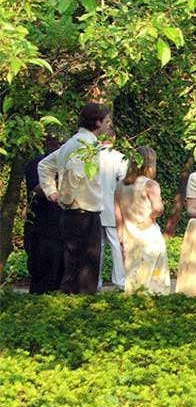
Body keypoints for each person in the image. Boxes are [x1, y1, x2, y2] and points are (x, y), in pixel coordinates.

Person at [38, 102, 113, 294]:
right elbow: (73, 172)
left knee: (74, 266)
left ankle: (73, 305)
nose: (108, 124)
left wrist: (52, 192)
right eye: (106, 120)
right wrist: (65, 197)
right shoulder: (85, 145)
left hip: (77, 212)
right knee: (85, 269)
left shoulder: (72, 143)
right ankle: (81, 307)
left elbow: (45, 165)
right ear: (97, 122)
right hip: (82, 212)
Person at [114, 146, 170, 294]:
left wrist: (120, 237)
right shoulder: (150, 185)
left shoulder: (120, 186)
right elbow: (158, 208)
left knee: (133, 280)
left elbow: (118, 214)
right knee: (155, 281)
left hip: (130, 239)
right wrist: (149, 218)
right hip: (149, 238)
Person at [23, 134, 64, 294]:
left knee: (60, 275)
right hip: (42, 229)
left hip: (59, 228)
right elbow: (35, 190)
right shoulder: (38, 162)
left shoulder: (63, 163)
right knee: (42, 275)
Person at [97, 129, 128, 290]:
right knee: (116, 245)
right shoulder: (120, 158)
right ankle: (120, 281)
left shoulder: (90, 157)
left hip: (93, 208)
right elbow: (124, 184)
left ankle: (96, 282)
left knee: (97, 246)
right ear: (114, 138)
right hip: (113, 208)